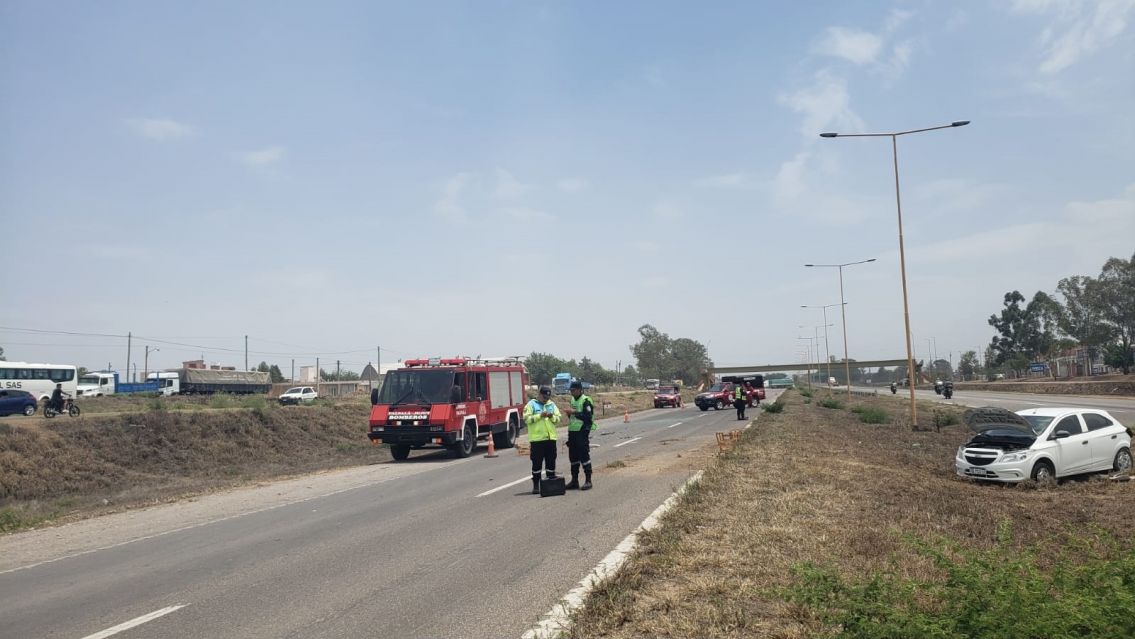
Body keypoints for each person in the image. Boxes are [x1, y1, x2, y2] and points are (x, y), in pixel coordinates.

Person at [524, 386, 561, 494]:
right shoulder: (531, 405)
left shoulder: (551, 404)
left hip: (550, 439)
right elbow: (527, 419)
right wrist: (539, 416)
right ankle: (536, 485)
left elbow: (558, 419)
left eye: (547, 397)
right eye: (544, 397)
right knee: (537, 464)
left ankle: (550, 484)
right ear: (539, 394)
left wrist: (551, 416)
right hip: (537, 440)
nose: (546, 399)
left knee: (551, 463)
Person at [564, 380, 595, 490]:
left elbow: (588, 417)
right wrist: (569, 414)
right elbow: (573, 417)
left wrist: (574, 413)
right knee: (573, 457)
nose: (571, 392)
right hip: (572, 431)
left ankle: (588, 480)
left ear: (579, 390)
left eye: (573, 390)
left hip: (582, 431)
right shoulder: (573, 399)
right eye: (570, 390)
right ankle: (574, 481)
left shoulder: (586, 400)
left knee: (584, 456)